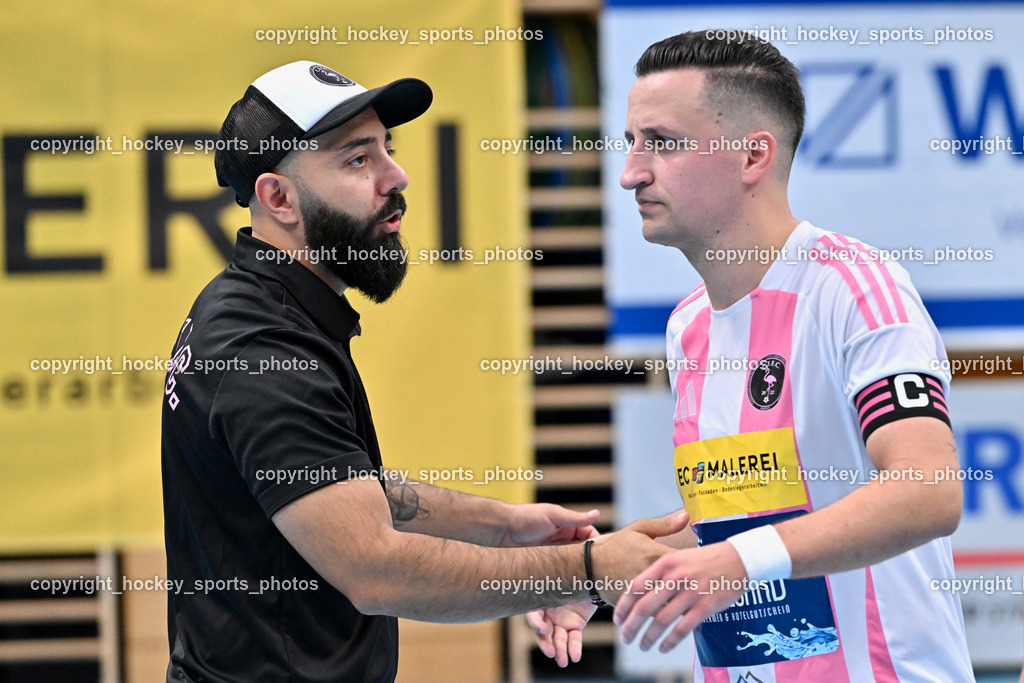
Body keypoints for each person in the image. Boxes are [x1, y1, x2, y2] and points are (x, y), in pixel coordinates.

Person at [160, 60, 686, 682]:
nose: (397, 176)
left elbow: (340, 491)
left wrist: (505, 527)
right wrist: (592, 570)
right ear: (278, 198)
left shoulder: (271, 310)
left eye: (388, 149)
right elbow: (375, 568)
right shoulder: (261, 348)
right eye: (357, 160)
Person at [530, 31, 976, 681]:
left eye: (664, 142)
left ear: (752, 156)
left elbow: (928, 488)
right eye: (631, 142)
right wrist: (595, 574)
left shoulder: (855, 288)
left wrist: (741, 561)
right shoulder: (688, 326)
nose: (631, 171)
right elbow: (740, 524)